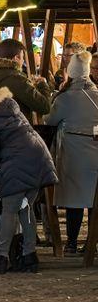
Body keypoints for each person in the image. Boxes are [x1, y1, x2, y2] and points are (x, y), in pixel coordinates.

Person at [0, 87, 58, 274]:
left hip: (17, 163)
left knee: (9, 211)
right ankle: (29, 257)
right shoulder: (11, 107)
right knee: (26, 209)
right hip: (39, 159)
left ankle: (1, 258)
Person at [44, 51, 98, 255]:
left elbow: (49, 120)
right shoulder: (97, 94)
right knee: (94, 200)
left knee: (75, 201)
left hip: (73, 155)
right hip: (95, 154)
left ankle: (72, 242)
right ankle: (91, 243)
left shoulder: (65, 98)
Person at [0, 38, 52, 120]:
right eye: (22, 57)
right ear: (16, 58)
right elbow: (44, 107)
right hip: (16, 129)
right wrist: (43, 84)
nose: (23, 61)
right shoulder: (16, 79)